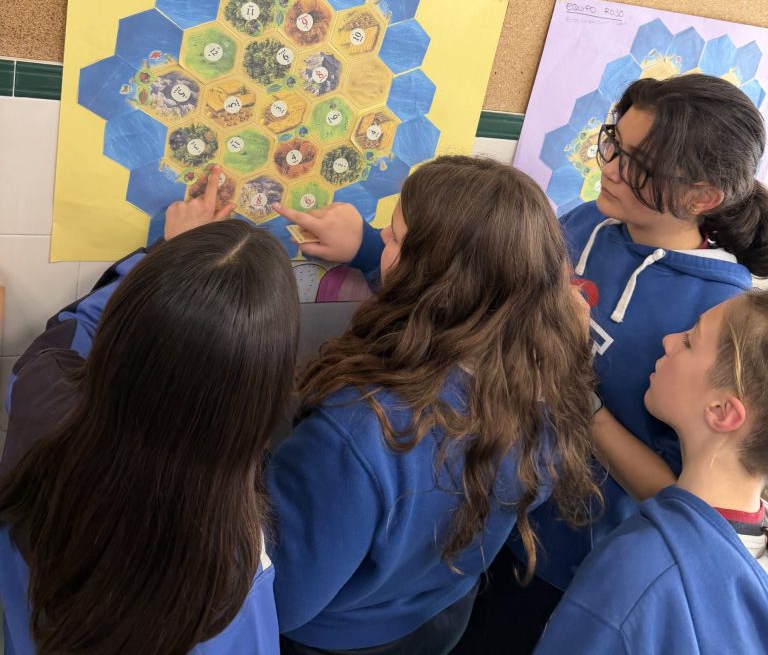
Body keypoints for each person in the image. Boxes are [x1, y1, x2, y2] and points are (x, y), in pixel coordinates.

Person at [276, 73, 768, 651]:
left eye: (636, 163)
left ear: (701, 197)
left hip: (569, 562)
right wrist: (370, 249)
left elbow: (689, 495)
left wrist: (579, 396)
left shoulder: (718, 316)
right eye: (614, 141)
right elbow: (475, 289)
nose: (609, 167)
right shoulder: (588, 220)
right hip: (482, 518)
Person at [267, 155, 599, 654]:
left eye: (394, 238)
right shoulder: (549, 384)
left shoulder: (356, 431)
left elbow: (281, 598)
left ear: (436, 280)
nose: (381, 235)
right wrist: (368, 251)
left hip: (332, 636)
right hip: (437, 617)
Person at [0, 169, 299, 655]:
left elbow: (68, 331)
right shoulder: (231, 571)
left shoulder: (38, 394)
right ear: (260, 405)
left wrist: (161, 256)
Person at [534, 290, 768, 654]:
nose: (669, 340)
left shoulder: (640, 571)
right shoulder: (753, 544)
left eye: (689, 341)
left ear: (721, 411)